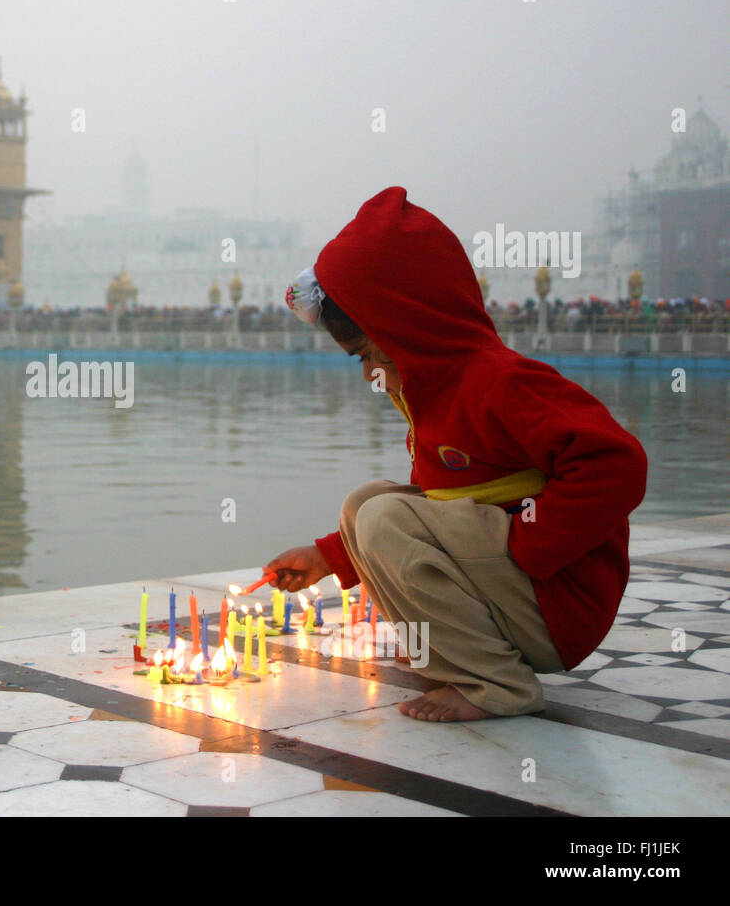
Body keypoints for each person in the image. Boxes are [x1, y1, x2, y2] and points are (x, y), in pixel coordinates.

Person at [264, 187, 648, 722]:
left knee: (384, 516)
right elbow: (443, 507)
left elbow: (618, 464)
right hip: (517, 591)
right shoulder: (432, 396)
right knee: (366, 503)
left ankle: (495, 683)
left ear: (410, 330)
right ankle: (447, 653)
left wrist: (530, 547)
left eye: (368, 355)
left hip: (556, 603)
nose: (370, 373)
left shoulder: (497, 381)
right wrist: (329, 557)